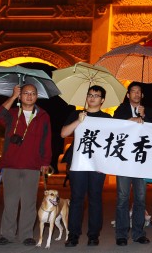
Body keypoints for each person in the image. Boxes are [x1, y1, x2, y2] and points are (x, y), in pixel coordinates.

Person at [0, 84, 52, 246]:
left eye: (33, 93)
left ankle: (26, 235)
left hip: (32, 165)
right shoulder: (11, 114)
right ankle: (7, 234)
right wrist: (12, 97)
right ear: (20, 96)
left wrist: (46, 161)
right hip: (11, 164)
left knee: (29, 202)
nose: (29, 96)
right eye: (25, 93)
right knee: (10, 202)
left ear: (37, 96)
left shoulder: (43, 116)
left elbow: (46, 140)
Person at [60, 85, 111, 247]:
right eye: (90, 94)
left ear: (102, 100)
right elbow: (63, 133)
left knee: (95, 198)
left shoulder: (107, 118)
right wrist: (78, 121)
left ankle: (93, 235)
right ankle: (73, 235)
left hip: (97, 164)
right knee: (76, 199)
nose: (92, 97)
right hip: (78, 163)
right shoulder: (77, 114)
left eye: (96, 95)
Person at [112, 81, 152, 246]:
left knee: (140, 198)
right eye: (133, 91)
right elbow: (114, 126)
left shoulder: (150, 111)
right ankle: (121, 234)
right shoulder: (121, 110)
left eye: (139, 92)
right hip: (124, 161)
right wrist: (132, 119)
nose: (136, 94)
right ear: (128, 94)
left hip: (141, 161)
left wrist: (144, 117)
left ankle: (139, 233)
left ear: (142, 95)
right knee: (122, 198)